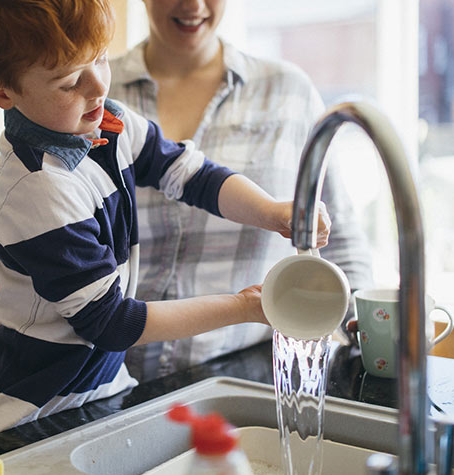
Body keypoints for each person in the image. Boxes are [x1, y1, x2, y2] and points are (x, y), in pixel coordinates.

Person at [0, 0, 331, 436]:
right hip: (35, 410)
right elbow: (113, 322)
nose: (97, 87)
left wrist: (273, 211)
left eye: (102, 58)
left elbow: (193, 175)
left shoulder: (107, 122)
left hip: (100, 391)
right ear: (0, 93)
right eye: (70, 81)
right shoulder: (37, 191)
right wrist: (244, 307)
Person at [108, 0, 374, 382]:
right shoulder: (92, 93)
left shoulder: (287, 92)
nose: (193, 5)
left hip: (246, 374)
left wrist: (371, 331)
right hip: (108, 382)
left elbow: (340, 240)